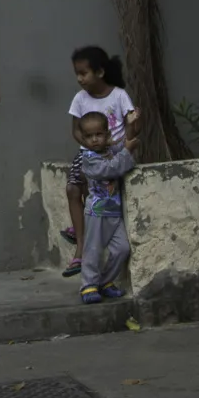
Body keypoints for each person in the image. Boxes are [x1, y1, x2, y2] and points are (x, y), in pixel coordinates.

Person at [64, 46, 136, 277]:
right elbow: (75, 130)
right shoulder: (80, 99)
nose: (79, 78)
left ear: (100, 72)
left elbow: (130, 127)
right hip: (89, 153)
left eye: (84, 73)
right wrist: (88, 147)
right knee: (73, 187)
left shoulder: (119, 95)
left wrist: (119, 142)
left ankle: (90, 242)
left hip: (114, 152)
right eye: (77, 73)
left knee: (98, 189)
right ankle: (81, 244)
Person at [74, 111, 137, 305]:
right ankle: (88, 285)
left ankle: (104, 280)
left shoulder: (110, 150)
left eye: (98, 135)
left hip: (114, 212)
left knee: (122, 249)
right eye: (89, 136)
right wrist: (126, 151)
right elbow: (110, 169)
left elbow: (127, 142)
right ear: (83, 139)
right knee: (93, 249)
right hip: (96, 213)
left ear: (106, 134)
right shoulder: (89, 158)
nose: (94, 139)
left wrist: (132, 124)